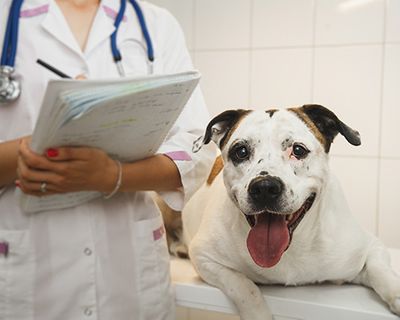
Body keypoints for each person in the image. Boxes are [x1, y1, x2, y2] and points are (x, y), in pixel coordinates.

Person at [0, 0, 214, 319]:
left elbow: (198, 151)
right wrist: (26, 153)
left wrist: (112, 175)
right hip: (28, 272)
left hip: (130, 277)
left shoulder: (155, 25)